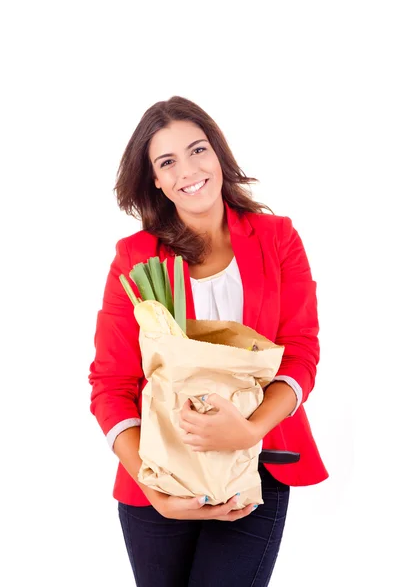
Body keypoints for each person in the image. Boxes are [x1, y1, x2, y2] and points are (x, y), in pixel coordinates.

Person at [88, 95, 328, 587]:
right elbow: (110, 385)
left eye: (198, 150)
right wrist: (151, 485)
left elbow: (301, 352)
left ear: (218, 154)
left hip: (255, 470)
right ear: (154, 179)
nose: (188, 170)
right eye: (167, 161)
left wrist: (250, 429)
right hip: (159, 477)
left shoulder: (277, 238)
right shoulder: (134, 259)